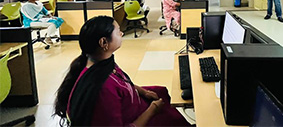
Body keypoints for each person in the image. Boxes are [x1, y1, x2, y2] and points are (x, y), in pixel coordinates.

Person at [53, 16, 190, 127]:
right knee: (170, 117)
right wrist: (152, 110)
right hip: (135, 117)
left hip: (131, 103)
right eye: (118, 31)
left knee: (160, 91)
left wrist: (142, 91)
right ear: (103, 43)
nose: (122, 33)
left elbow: (121, 80)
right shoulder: (103, 89)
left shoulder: (101, 62)